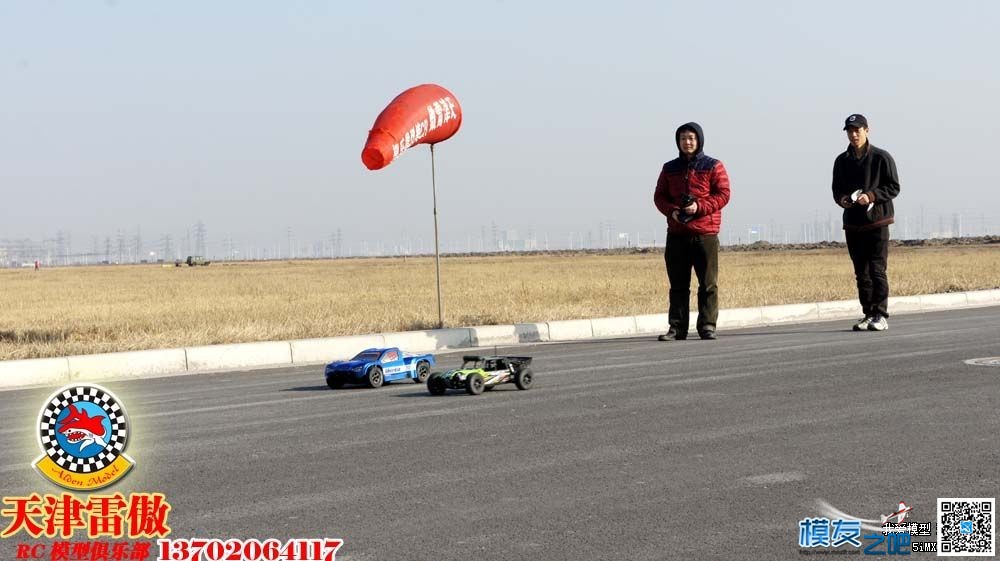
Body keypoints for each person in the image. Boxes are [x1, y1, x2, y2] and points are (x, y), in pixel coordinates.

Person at [653, 122, 731, 341]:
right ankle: (677, 328)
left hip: (705, 232)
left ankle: (707, 325)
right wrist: (673, 212)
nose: (687, 142)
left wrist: (699, 207)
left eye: (691, 138)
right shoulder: (669, 168)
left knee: (708, 284)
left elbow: (724, 194)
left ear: (699, 140)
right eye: (683, 139)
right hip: (677, 233)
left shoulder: (713, 166)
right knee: (678, 285)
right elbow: (659, 197)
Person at [832, 113, 900, 331]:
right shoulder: (842, 161)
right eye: (850, 131)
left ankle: (880, 314)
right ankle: (868, 313)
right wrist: (843, 199)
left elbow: (893, 187)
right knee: (861, 272)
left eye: (857, 130)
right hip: (853, 224)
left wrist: (870, 196)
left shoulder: (882, 158)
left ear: (867, 130)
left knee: (877, 270)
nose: (853, 135)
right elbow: (836, 190)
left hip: (877, 222)